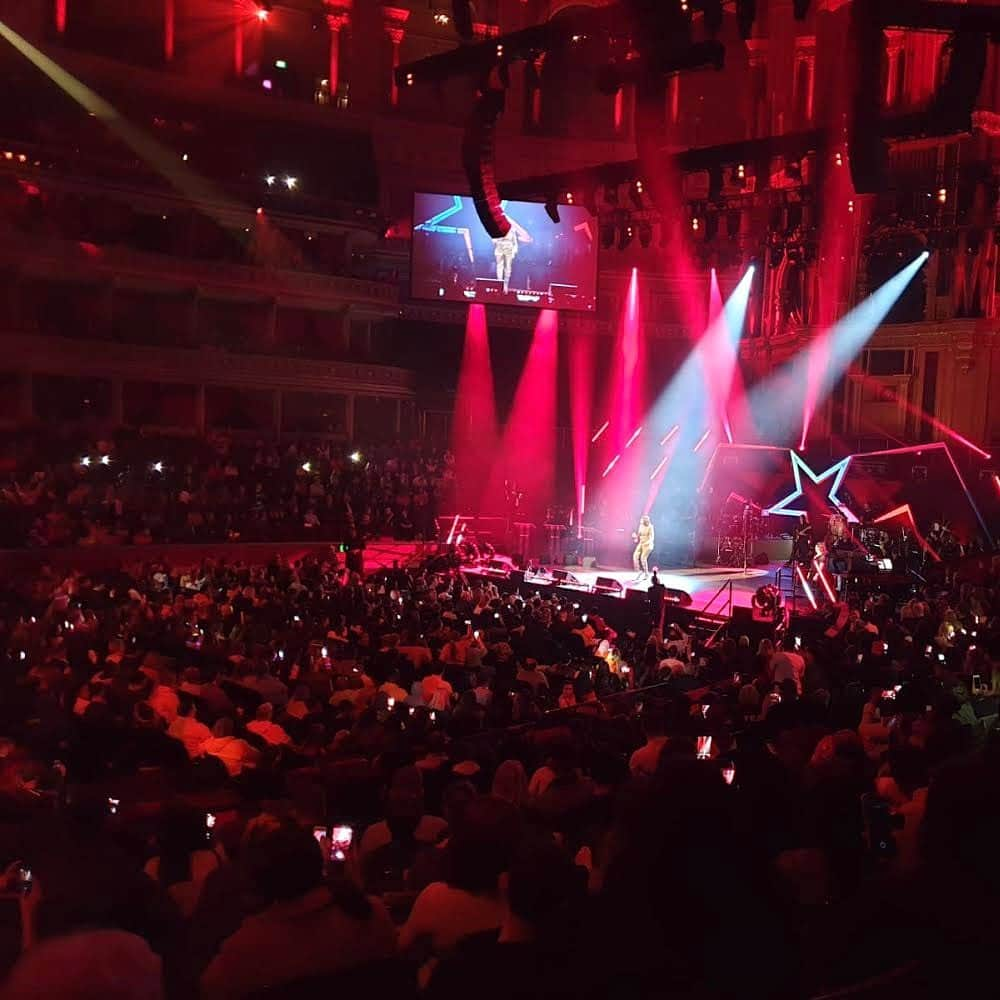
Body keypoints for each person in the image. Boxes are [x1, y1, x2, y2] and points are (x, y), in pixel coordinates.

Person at [201, 824, 396, 999]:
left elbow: (208, 989)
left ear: (261, 880)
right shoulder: (372, 913)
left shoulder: (243, 951)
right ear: (320, 863)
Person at [492, 228, 518, 294]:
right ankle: (499, 284)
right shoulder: (496, 229)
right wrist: (497, 241)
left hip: (509, 249)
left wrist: (514, 251)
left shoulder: (511, 230)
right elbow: (493, 240)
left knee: (508, 268)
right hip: (499, 249)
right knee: (499, 267)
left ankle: (506, 285)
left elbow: (515, 242)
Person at [632, 515, 655, 580]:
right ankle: (638, 571)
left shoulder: (650, 527)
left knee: (643, 558)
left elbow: (652, 537)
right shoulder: (641, 526)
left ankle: (646, 574)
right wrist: (635, 537)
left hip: (648, 544)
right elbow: (638, 535)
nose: (641, 521)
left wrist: (647, 542)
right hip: (641, 543)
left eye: (643, 520)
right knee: (635, 556)